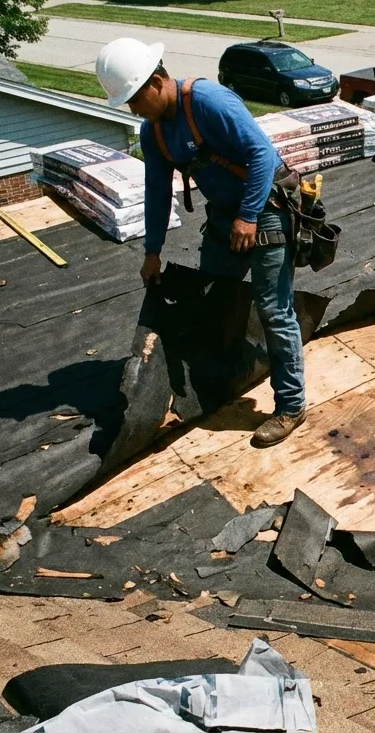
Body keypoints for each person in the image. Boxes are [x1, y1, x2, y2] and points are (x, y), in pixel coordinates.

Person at [95, 38, 307, 447]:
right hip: (227, 217)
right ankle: (229, 376)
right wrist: (152, 252)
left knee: (274, 309)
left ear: (157, 81)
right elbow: (157, 192)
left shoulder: (209, 100)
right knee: (214, 296)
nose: (134, 110)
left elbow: (262, 154)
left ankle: (291, 405)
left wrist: (247, 217)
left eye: (135, 99)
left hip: (264, 206)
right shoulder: (152, 132)